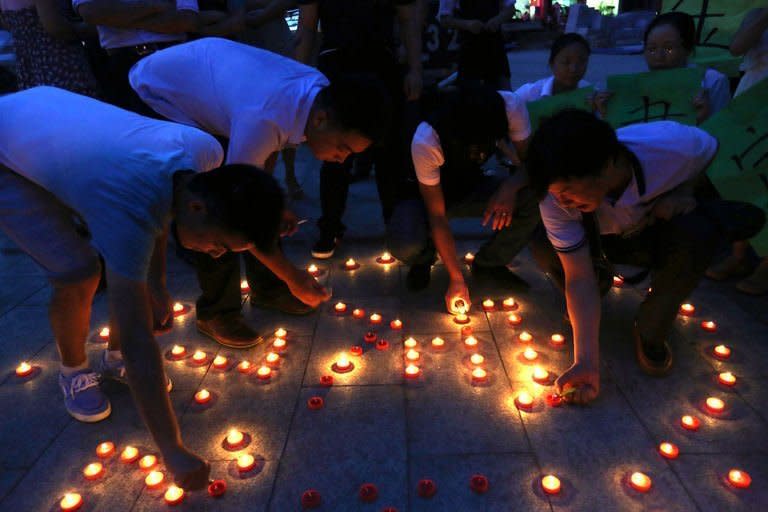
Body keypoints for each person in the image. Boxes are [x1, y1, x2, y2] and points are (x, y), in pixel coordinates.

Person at [0, 86, 326, 488]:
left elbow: (158, 202)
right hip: (6, 147)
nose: (217, 254)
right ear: (197, 208)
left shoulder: (203, 153)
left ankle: (111, 357)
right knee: (78, 272)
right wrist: (172, 449)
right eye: (220, 245)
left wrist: (156, 281)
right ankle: (73, 371)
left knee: (131, 273)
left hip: (52, 120)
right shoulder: (127, 212)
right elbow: (140, 336)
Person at [130, 37, 390, 347]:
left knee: (259, 203)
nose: (342, 158)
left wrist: (273, 207)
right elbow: (232, 206)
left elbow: (269, 152)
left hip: (213, 85)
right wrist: (294, 276)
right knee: (215, 210)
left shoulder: (316, 91)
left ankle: (267, 289)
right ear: (322, 119)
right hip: (158, 93)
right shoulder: (264, 116)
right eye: (343, 147)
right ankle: (217, 311)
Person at [528, 110, 765, 404]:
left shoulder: (672, 146)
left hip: (655, 233)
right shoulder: (554, 201)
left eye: (566, 191)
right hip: (599, 238)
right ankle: (595, 295)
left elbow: (711, 148)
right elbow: (578, 276)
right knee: (544, 241)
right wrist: (586, 361)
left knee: (696, 232)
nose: (561, 201)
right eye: (555, 194)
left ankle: (651, 329)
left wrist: (685, 191)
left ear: (605, 165)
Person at [388, 84, 539, 311]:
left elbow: (533, 163)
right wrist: (456, 279)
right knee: (406, 244)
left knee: (535, 195)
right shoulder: (428, 137)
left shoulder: (509, 106)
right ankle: (423, 258)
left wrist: (510, 187)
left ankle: (490, 263)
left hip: (471, 184)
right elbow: (437, 215)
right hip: (424, 196)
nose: (480, 151)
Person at [294, 0, 423, 259]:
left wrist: (415, 69)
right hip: (336, 61)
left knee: (389, 152)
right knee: (333, 153)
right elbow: (307, 26)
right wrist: (296, 73)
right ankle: (330, 226)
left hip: (380, 61)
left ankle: (394, 223)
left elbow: (408, 19)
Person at [74, 0, 241, 113]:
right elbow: (91, 12)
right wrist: (157, 5)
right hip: (124, 65)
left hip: (175, 59)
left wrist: (120, 17)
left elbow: (187, 20)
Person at [706, 6, 768, 295]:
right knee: (741, 171)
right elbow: (737, 47)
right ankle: (739, 254)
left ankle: (766, 262)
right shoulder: (759, 13)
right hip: (754, 97)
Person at [643, 11, 730, 124]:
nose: (659, 57)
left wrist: (703, 118)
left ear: (688, 50)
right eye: (652, 49)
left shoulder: (712, 81)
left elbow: (721, 132)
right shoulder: (638, 85)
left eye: (668, 48)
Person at [0, 0, 101, 96]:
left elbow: (7, 24)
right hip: (59, 65)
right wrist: (100, 28)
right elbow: (56, 28)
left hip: (28, 69)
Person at [438, 0, 516, 89]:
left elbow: (510, 9)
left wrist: (497, 20)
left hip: (495, 48)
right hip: (469, 50)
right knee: (471, 94)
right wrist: (467, 25)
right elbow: (444, 19)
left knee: (504, 94)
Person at [514, 32, 592, 103]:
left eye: (581, 61)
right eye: (566, 62)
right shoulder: (528, 95)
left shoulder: (590, 93)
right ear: (552, 63)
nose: (573, 69)